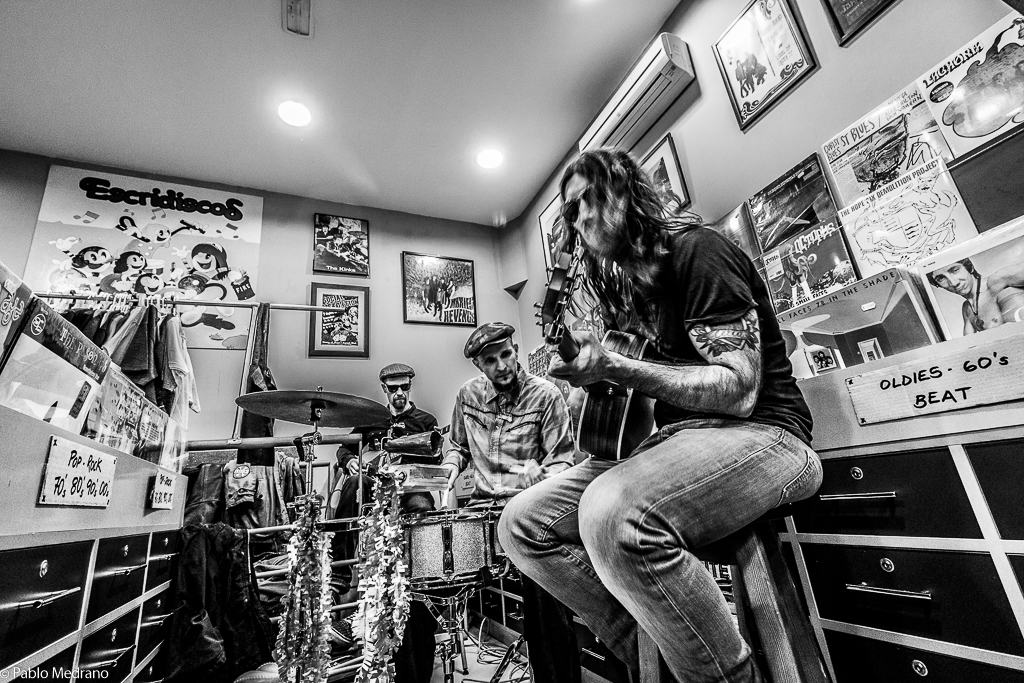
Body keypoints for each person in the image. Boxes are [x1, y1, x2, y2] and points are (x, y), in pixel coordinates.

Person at [497, 148, 823, 683]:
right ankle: (666, 656)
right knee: (520, 524)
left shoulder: (698, 250)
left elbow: (738, 390)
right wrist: (592, 384)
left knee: (611, 510)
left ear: (623, 192)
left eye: (584, 202)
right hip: (677, 441)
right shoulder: (627, 293)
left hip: (768, 437)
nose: (577, 219)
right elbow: (634, 412)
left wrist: (617, 367)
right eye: (570, 212)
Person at [440, 322, 581, 683]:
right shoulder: (467, 396)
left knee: (546, 597)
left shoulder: (547, 396)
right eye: (491, 360)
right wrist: (449, 469)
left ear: (515, 350)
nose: (502, 365)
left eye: (506, 354)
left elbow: (564, 464)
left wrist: (543, 474)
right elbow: (457, 446)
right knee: (423, 576)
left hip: (528, 512)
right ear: (479, 365)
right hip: (481, 512)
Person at [330, 362, 439, 683]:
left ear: (410, 386)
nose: (399, 393)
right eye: (393, 389)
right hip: (376, 487)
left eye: (404, 387)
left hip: (411, 488)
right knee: (353, 484)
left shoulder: (426, 421)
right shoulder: (371, 418)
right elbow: (343, 449)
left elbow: (436, 459)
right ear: (384, 390)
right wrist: (350, 460)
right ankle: (339, 573)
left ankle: (424, 576)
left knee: (422, 504)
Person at [927, 257, 1024, 335]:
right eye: (941, 279)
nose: (953, 283)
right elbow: (968, 344)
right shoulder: (967, 308)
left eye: (955, 270)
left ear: (969, 267)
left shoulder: (996, 280)